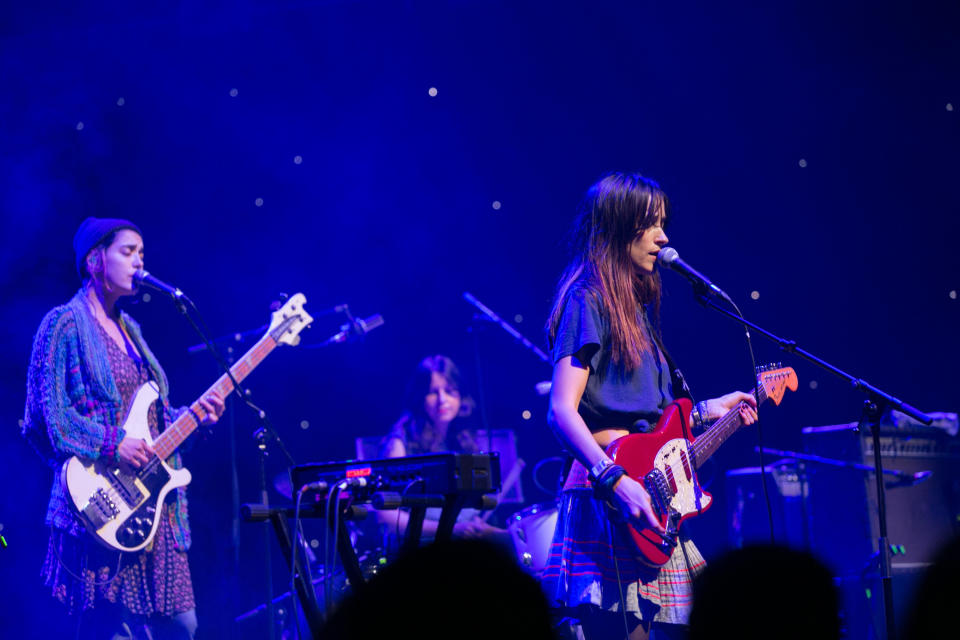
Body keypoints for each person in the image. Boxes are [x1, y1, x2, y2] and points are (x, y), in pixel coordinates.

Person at [540, 172, 758, 640]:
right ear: (617, 229)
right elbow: (561, 410)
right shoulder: (587, 300)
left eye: (663, 223)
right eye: (649, 224)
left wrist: (705, 411)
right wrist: (614, 480)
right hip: (611, 495)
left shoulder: (635, 307)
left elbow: (647, 419)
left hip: (651, 495)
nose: (664, 236)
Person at [22, 217, 225, 639]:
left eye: (142, 254)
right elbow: (50, 418)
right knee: (114, 630)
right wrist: (113, 443)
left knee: (182, 626)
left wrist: (196, 418)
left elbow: (155, 420)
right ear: (96, 259)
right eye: (128, 251)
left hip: (153, 506)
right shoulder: (63, 324)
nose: (139, 262)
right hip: (102, 507)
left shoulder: (133, 332)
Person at [378, 355, 506, 543]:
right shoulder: (400, 443)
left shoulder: (463, 440)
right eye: (432, 392)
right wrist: (450, 529)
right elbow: (386, 516)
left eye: (450, 391)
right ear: (419, 398)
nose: (442, 400)